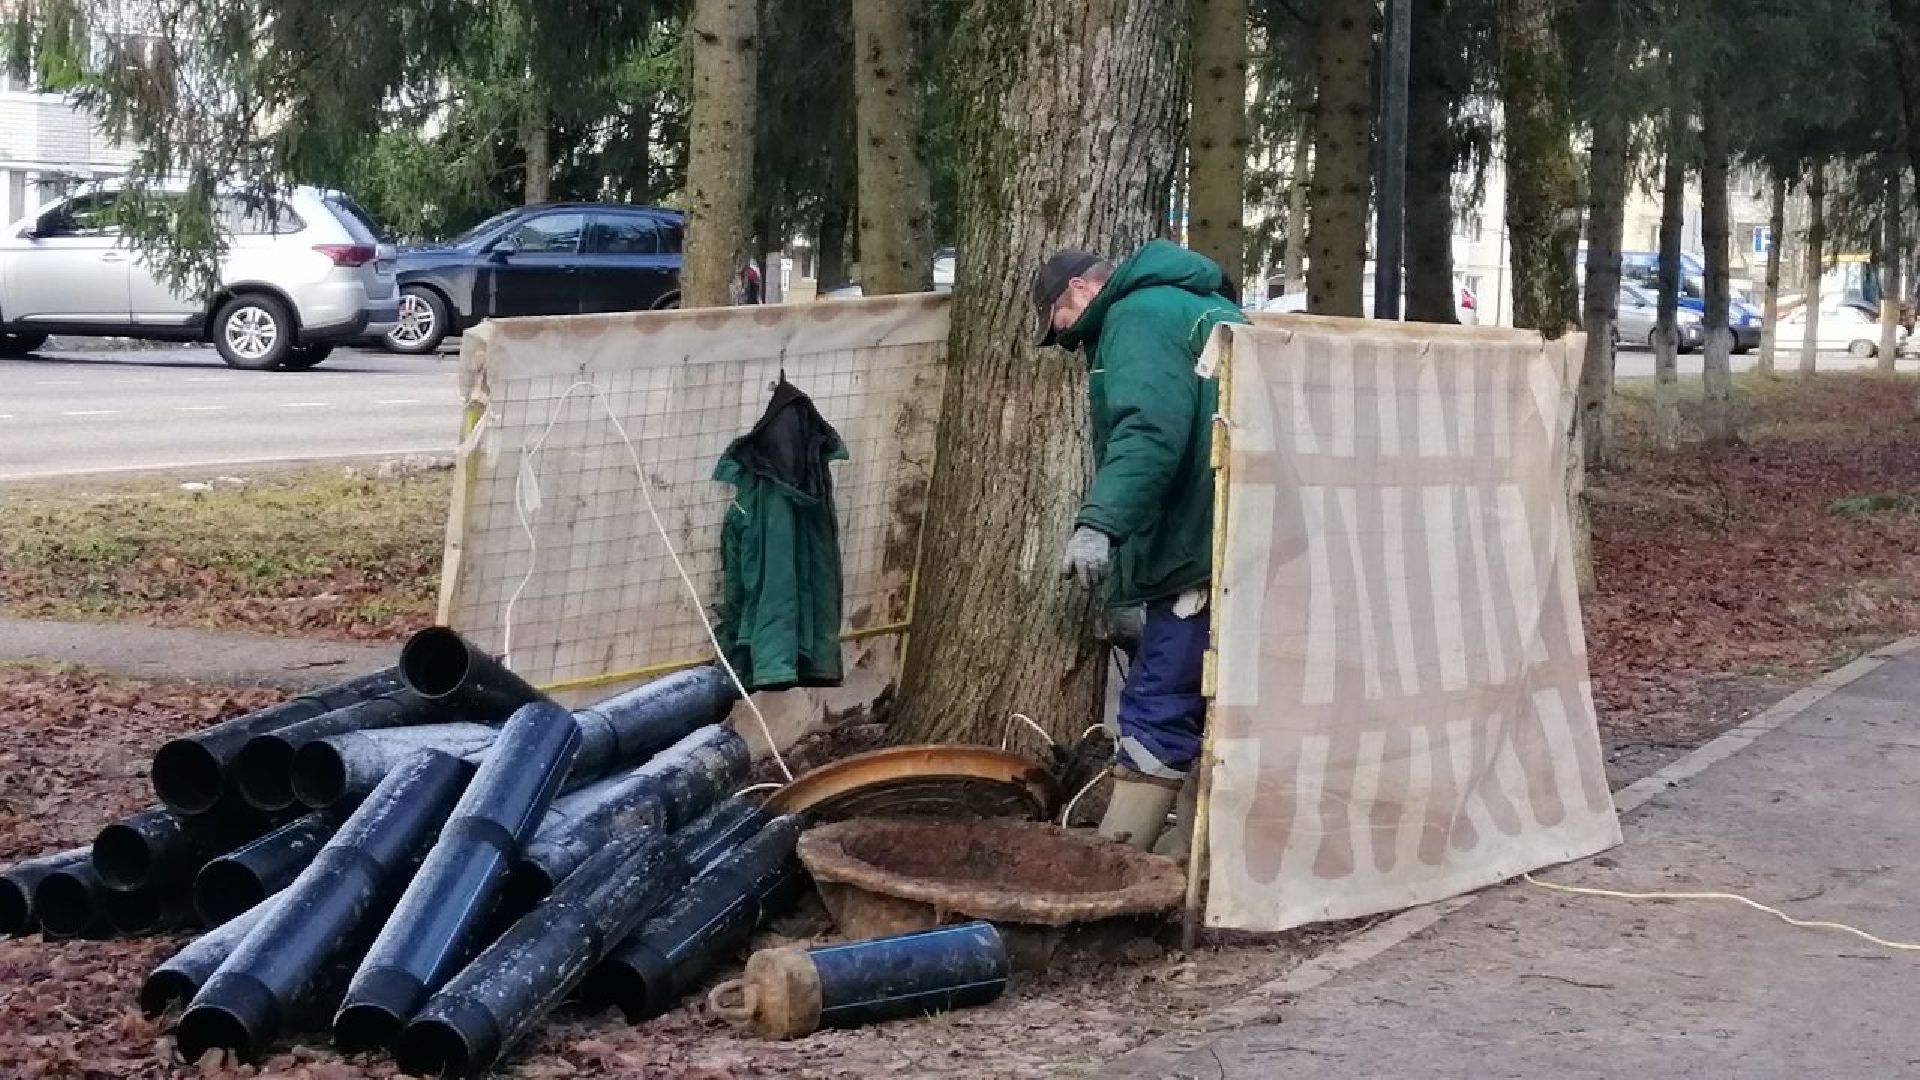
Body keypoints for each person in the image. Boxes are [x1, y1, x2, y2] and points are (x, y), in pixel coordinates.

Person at [1031, 239, 1246, 854]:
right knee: (1218, 702)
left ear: (1077, 290)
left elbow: (1150, 431)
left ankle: (1116, 863)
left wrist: (1101, 524)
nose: (1071, 341)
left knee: (1161, 698)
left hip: (1195, 546)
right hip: (1241, 530)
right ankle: (1189, 862)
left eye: (1063, 327)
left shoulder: (1138, 316)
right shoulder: (1197, 305)